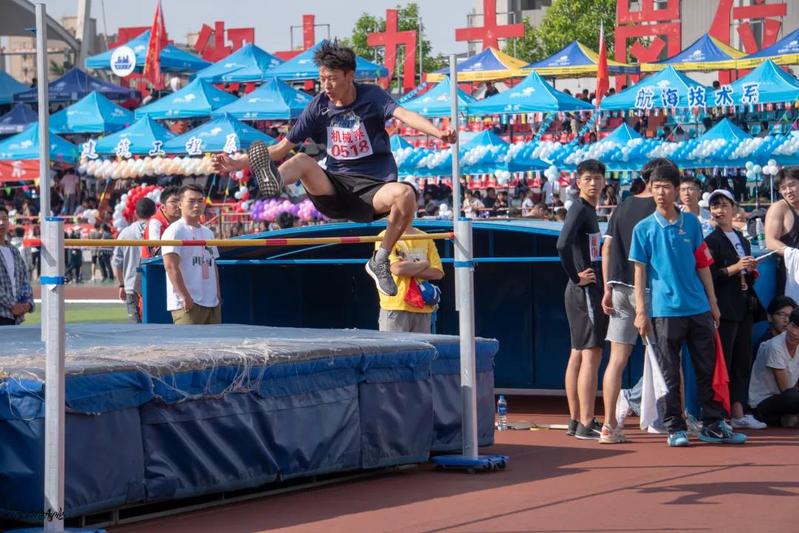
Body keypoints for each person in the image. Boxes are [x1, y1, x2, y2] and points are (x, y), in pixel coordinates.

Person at [212, 41, 456, 298]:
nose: (326, 86)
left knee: (405, 194)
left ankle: (380, 260)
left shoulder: (372, 96)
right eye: (322, 79)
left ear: (350, 76)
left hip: (373, 189)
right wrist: (237, 163)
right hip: (334, 187)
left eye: (332, 79)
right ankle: (271, 181)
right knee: (301, 160)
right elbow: (281, 148)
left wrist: (438, 133)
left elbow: (404, 115)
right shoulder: (318, 106)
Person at [630, 158, 746, 447]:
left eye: (666, 187)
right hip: (664, 311)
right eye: (655, 187)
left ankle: (713, 424)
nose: (660, 193)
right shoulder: (643, 228)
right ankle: (675, 427)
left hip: (699, 308)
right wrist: (641, 311)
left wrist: (713, 303)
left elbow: (703, 264)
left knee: (707, 368)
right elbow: (639, 272)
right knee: (669, 373)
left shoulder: (692, 223)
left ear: (676, 190)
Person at [598, 161, 657, 443]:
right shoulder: (663, 208)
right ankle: (676, 421)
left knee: (617, 360)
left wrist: (607, 286)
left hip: (620, 287)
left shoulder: (622, 206)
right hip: (651, 289)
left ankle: (609, 424)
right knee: (665, 358)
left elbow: (607, 248)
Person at [704, 189, 766, 429]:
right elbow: (709, 275)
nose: (719, 211)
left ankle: (739, 411)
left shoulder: (743, 239)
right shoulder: (711, 241)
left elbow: (744, 271)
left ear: (734, 208)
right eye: (715, 206)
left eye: (723, 205)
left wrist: (749, 270)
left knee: (742, 359)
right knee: (724, 361)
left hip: (743, 306)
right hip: (724, 308)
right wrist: (736, 267)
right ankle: (720, 414)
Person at [556, 159, 608, 440]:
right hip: (583, 290)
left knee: (578, 352)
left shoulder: (587, 210)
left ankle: (576, 420)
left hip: (581, 289)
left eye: (597, 178)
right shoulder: (579, 208)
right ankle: (586, 422)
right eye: (588, 178)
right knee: (591, 353)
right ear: (578, 182)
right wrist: (576, 277)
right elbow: (562, 244)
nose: (593, 183)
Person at [162, 185, 221, 325]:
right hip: (188, 304)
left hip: (212, 303)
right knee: (188, 340)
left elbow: (213, 265)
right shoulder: (174, 231)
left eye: (200, 201)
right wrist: (185, 296)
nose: (197, 205)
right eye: (191, 201)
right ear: (180, 204)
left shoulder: (208, 233)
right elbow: (170, 267)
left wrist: (217, 294)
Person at [374, 226, 444, 333]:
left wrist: (408, 268)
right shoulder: (384, 236)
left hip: (422, 306)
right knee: (393, 344)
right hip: (395, 306)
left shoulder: (425, 237)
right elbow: (397, 269)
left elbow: (438, 273)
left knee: (422, 345)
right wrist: (425, 263)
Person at [749, 308, 799, 426]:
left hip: (787, 401)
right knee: (792, 396)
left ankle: (790, 418)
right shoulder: (774, 346)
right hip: (762, 405)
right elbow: (786, 392)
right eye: (793, 326)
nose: (794, 332)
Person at [113, 198, 155, 323]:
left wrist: (121, 284)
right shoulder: (159, 231)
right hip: (154, 284)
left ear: (135, 213)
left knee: (136, 326)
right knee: (156, 324)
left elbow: (116, 263)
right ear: (154, 212)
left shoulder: (125, 233)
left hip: (132, 286)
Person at [764, 167, 799, 301]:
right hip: (791, 273)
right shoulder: (778, 208)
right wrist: (794, 254)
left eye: (792, 185)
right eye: (783, 188)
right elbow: (770, 241)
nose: (788, 191)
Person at [0, 205, 34, 325]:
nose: (1, 223)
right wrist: (12, 305)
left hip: (16, 318)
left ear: (9, 222)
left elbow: (24, 280)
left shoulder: (14, 250)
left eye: (4, 219)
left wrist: (28, 303)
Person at [142, 185, 181, 259]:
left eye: (181, 201)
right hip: (155, 264)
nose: (179, 205)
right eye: (174, 201)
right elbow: (156, 251)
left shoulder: (183, 220)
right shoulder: (155, 223)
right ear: (163, 207)